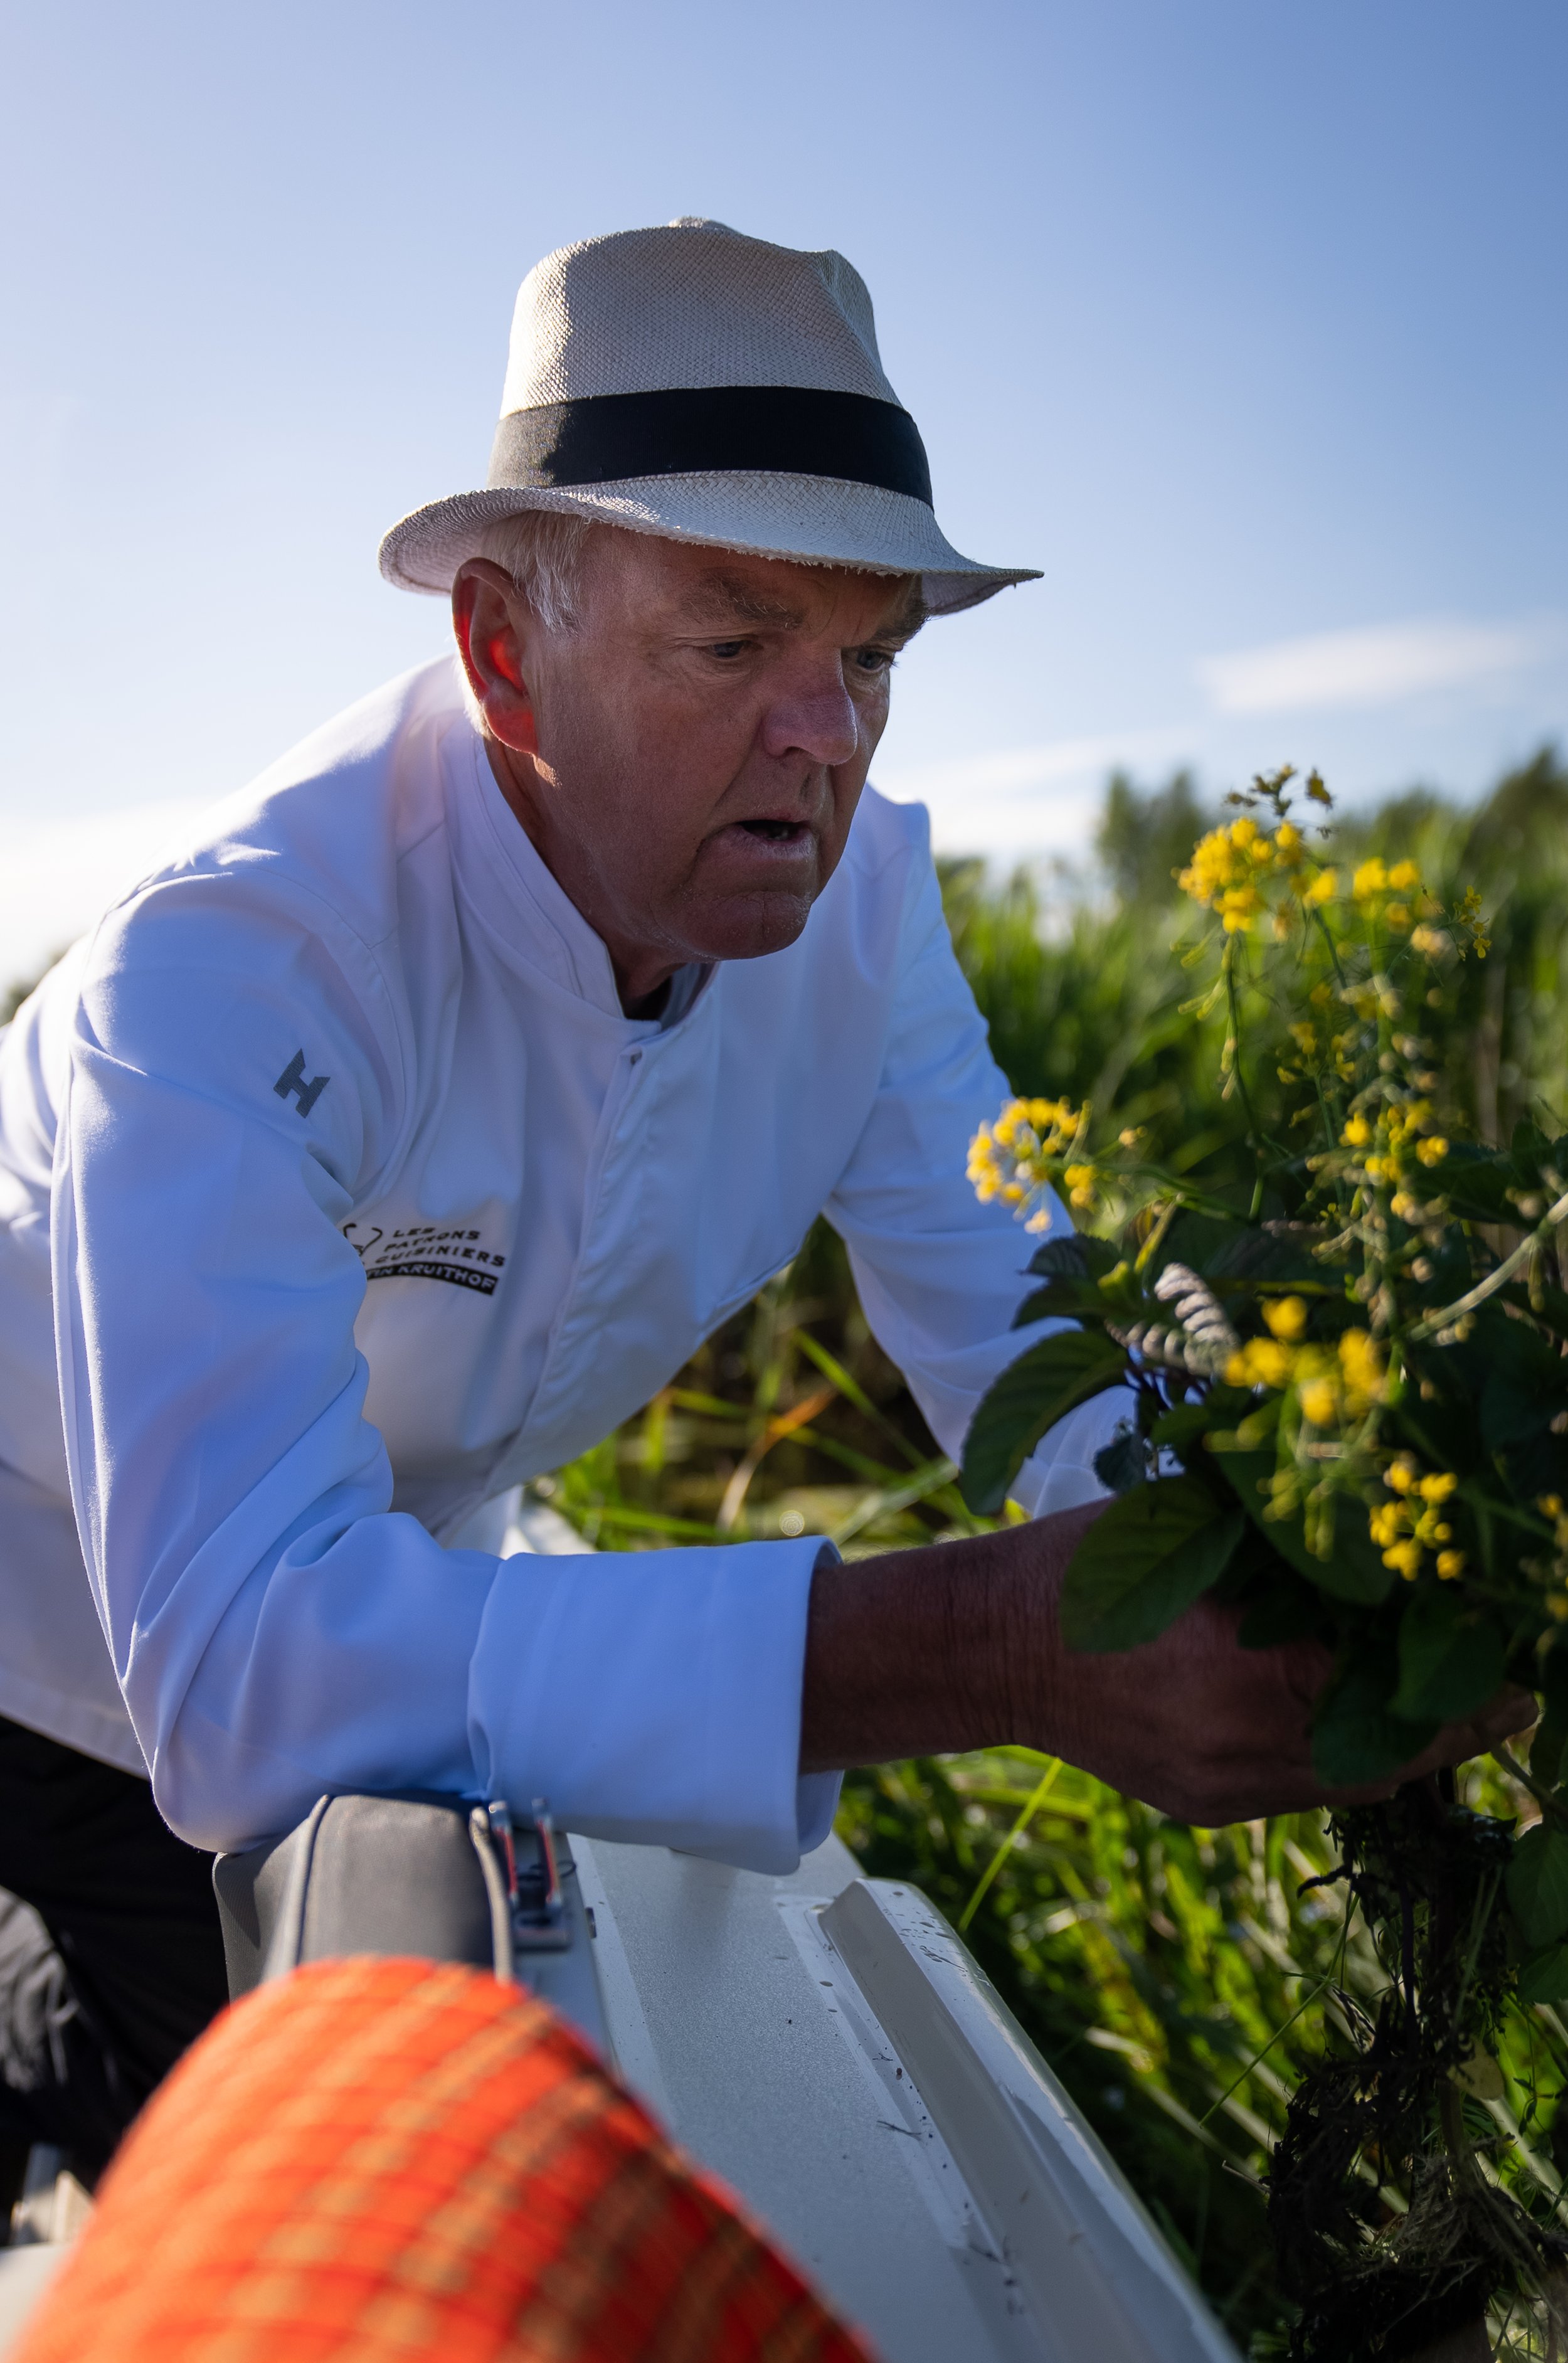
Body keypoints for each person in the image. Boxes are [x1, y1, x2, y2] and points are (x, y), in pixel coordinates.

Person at [0, 220, 1519, 2174]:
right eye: (732, 644)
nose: (825, 739)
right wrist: (981, 1650)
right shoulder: (221, 984)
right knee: (169, 2114)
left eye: (868, 657)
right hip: (61, 1620)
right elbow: (247, 1677)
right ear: (499, 652)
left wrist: (1319, 1553)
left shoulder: (866, 921)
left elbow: (1021, 1338)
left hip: (381, 1554)